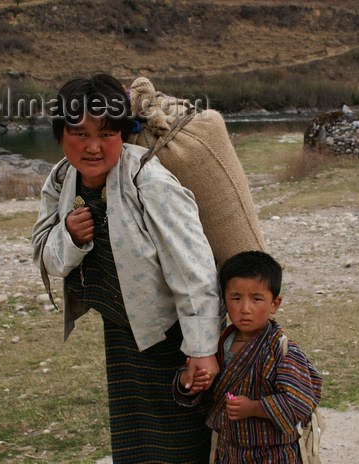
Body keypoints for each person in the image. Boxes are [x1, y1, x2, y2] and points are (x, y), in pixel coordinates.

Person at [31, 73, 222, 463]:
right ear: (60, 134)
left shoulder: (148, 181)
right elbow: (45, 257)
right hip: (123, 337)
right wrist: (70, 236)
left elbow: (193, 268)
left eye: (105, 133)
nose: (93, 147)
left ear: (122, 132)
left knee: (184, 444)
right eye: (79, 134)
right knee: (135, 448)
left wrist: (202, 349)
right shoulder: (60, 181)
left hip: (173, 338)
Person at [174, 251, 323, 463]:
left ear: (275, 304)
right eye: (236, 298)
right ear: (224, 300)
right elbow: (204, 399)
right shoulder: (216, 345)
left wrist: (254, 408)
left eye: (256, 299)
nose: (245, 309)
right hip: (229, 452)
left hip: (274, 455)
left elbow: (299, 403)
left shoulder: (282, 351)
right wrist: (188, 381)